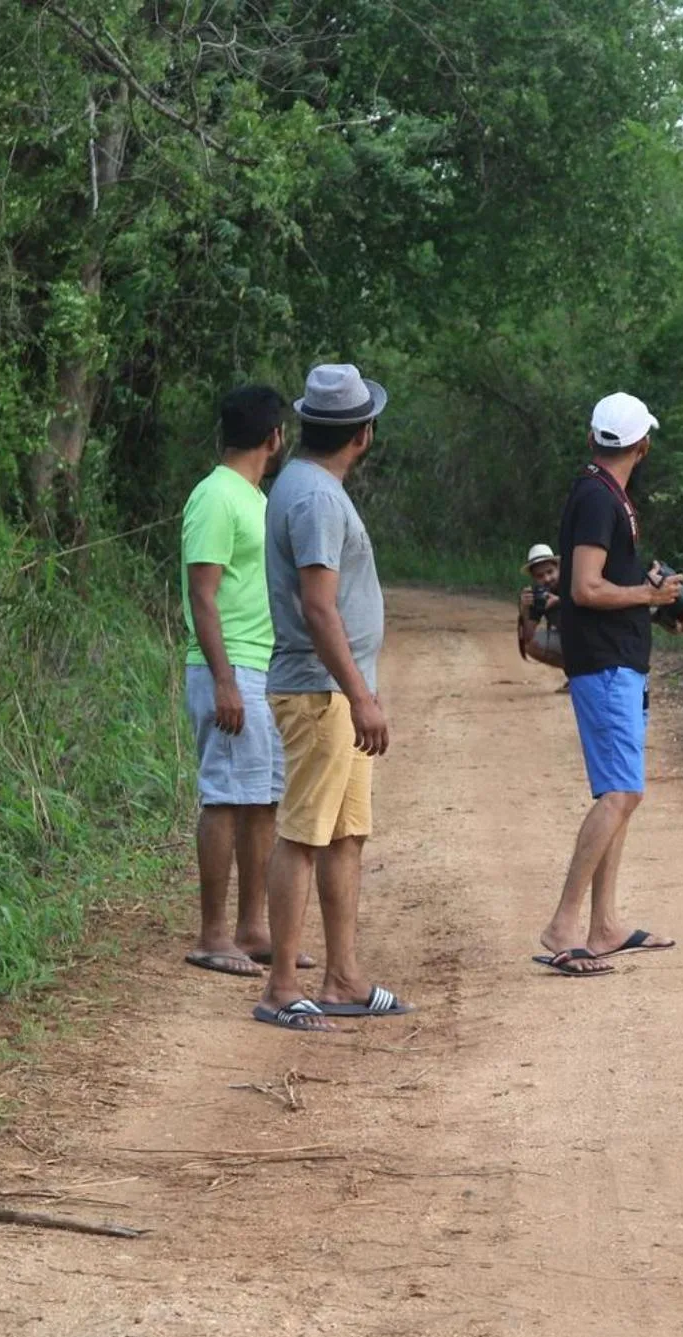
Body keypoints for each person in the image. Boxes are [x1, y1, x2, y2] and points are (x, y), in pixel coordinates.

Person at [253, 363, 415, 1031]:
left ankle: (343, 974)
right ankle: (282, 985)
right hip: (321, 694)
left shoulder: (304, 483)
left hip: (337, 693)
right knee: (303, 833)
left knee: (346, 832)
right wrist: (361, 695)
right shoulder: (317, 499)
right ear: (363, 434)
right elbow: (319, 609)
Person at [535, 392, 683, 977]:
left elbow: (611, 584)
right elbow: (585, 588)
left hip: (618, 658)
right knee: (621, 794)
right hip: (604, 665)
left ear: (594, 439)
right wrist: (648, 597)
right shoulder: (598, 500)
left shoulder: (607, 498)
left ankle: (604, 925)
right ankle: (563, 925)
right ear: (643, 445)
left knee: (619, 792)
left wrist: (660, 606)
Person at [180, 385, 307, 979]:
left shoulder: (257, 497)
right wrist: (225, 681)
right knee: (227, 795)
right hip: (229, 667)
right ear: (274, 437)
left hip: (265, 663)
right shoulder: (215, 497)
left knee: (262, 798)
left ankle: (252, 927)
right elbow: (201, 594)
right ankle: (211, 933)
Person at [516, 544, 565, 672]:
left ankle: (586, 673)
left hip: (592, 637)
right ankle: (573, 673)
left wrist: (561, 602)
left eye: (550, 572)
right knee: (531, 645)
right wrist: (525, 609)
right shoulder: (538, 595)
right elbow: (528, 637)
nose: (547, 579)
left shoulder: (574, 582)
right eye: (540, 576)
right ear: (534, 578)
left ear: (558, 568)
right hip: (568, 638)